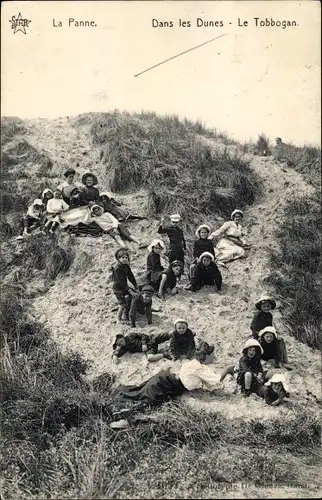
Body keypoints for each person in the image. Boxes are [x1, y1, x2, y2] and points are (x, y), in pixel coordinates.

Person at [110, 341, 217, 429]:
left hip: (164, 378)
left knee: (139, 393)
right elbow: (216, 381)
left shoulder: (194, 363)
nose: (214, 357)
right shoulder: (200, 368)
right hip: (166, 384)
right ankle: (123, 419)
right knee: (147, 401)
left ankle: (118, 405)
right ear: (206, 355)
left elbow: (208, 382)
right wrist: (227, 371)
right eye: (212, 355)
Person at [112, 248, 139, 323]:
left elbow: (131, 276)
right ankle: (118, 319)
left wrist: (135, 286)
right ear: (118, 258)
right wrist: (131, 291)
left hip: (124, 287)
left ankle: (128, 312)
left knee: (132, 296)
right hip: (118, 289)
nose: (124, 259)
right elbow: (122, 282)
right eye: (122, 258)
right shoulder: (117, 269)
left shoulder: (126, 265)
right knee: (122, 305)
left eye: (126, 257)